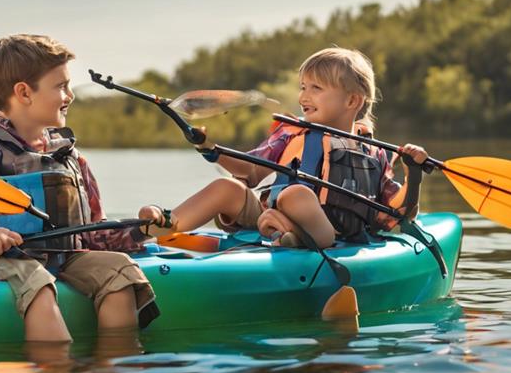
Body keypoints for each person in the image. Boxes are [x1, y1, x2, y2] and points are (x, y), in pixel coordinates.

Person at [0, 34, 159, 342]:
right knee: (35, 278)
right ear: (24, 93)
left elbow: (94, 237)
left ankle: (112, 372)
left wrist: (141, 229)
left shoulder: (69, 156)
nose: (70, 95)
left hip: (63, 259)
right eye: (60, 86)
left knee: (119, 272)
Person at [139, 47, 429, 249]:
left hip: (331, 229)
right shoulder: (291, 133)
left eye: (316, 88)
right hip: (272, 212)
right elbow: (251, 171)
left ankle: (309, 236)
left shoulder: (375, 153)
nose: (304, 95)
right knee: (226, 187)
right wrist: (211, 149)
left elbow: (397, 216)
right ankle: (169, 223)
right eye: (303, 87)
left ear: (352, 101)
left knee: (297, 194)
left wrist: (413, 174)